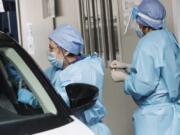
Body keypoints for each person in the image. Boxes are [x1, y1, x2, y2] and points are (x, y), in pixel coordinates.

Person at [19, 24, 111, 135]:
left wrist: (33, 99)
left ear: (66, 51)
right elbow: (38, 78)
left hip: (86, 130)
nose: (49, 51)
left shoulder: (84, 71)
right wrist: (15, 71)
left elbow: (60, 101)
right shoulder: (60, 68)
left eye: (52, 48)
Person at [110, 0, 180, 135]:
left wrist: (124, 77)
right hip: (172, 116)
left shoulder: (146, 44)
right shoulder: (169, 37)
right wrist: (127, 67)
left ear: (142, 22)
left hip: (155, 119)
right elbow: (161, 69)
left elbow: (143, 85)